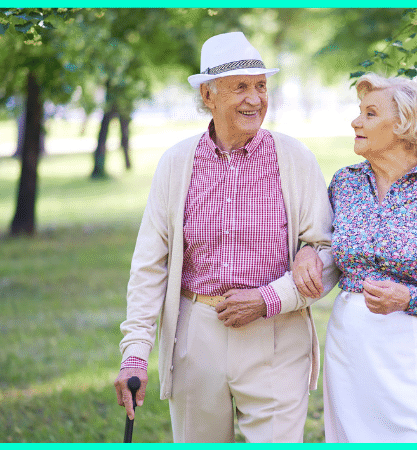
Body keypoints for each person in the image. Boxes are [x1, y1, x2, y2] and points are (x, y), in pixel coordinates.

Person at [113, 31, 337, 443]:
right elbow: (149, 266)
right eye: (240, 87)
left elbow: (327, 254)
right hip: (196, 334)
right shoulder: (176, 164)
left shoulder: (296, 160)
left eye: (261, 86)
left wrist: (269, 297)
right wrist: (136, 354)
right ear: (207, 95)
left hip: (277, 335)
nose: (255, 99)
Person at [296, 73, 417, 442]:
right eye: (360, 112)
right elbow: (320, 241)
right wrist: (306, 251)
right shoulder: (345, 183)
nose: (356, 121)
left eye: (370, 114)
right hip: (350, 350)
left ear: (403, 126)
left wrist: (408, 298)